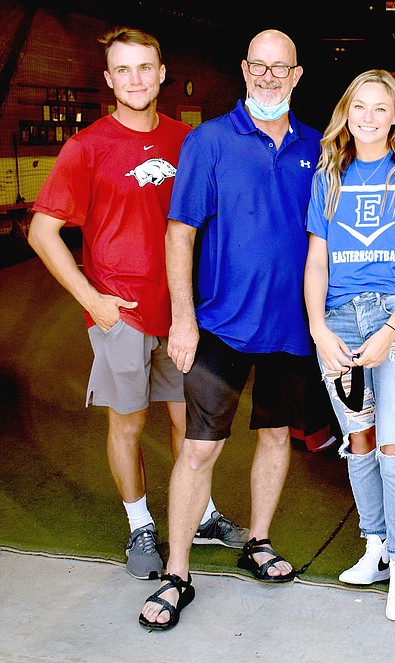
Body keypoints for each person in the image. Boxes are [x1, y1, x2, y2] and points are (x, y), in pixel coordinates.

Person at [27, 26, 248, 585]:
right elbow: (43, 231)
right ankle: (140, 524)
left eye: (144, 68)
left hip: (180, 312)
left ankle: (200, 514)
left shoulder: (187, 140)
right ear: (108, 79)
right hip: (119, 312)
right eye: (122, 70)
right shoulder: (87, 147)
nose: (135, 79)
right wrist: (92, 300)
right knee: (128, 424)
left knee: (189, 423)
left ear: (162, 73)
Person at [138, 29, 323, 631]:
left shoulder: (317, 147)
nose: (269, 77)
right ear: (245, 71)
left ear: (297, 76)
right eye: (260, 67)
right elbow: (179, 234)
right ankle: (178, 572)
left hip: (292, 329)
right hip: (219, 325)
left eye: (281, 68)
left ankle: (258, 541)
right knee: (199, 449)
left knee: (275, 439)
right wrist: (183, 318)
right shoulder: (208, 141)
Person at [304, 69, 395, 621]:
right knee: (360, 444)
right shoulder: (329, 175)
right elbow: (316, 258)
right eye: (359, 107)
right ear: (347, 112)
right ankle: (375, 547)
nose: (368, 118)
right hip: (338, 322)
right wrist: (318, 326)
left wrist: (391, 331)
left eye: (380, 108)